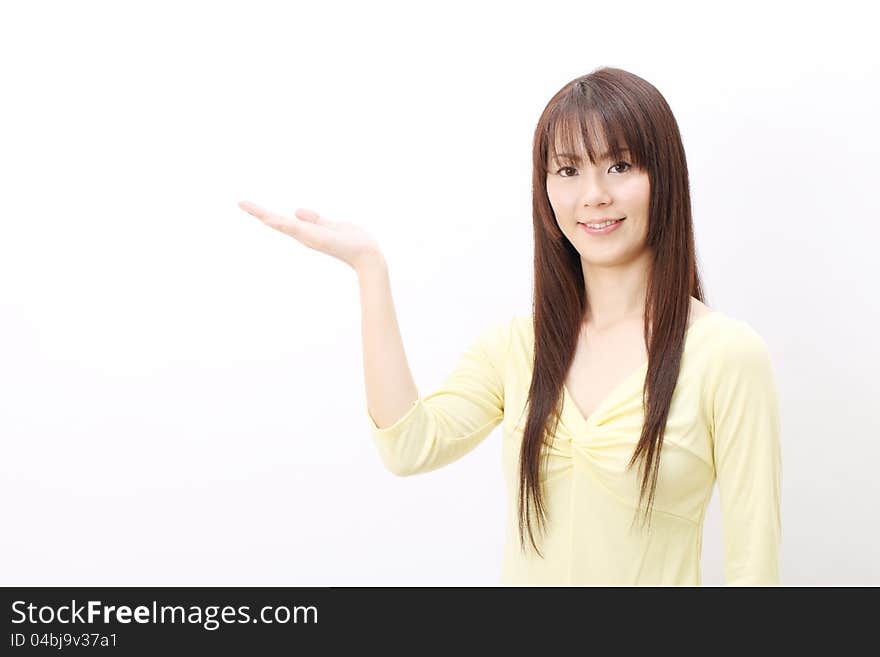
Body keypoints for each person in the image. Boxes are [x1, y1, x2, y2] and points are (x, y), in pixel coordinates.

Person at [237, 66, 783, 587]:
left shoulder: (726, 355)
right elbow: (408, 446)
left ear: (663, 176)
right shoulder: (514, 348)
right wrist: (369, 268)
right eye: (568, 170)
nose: (593, 194)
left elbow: (754, 573)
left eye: (619, 165)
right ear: (544, 188)